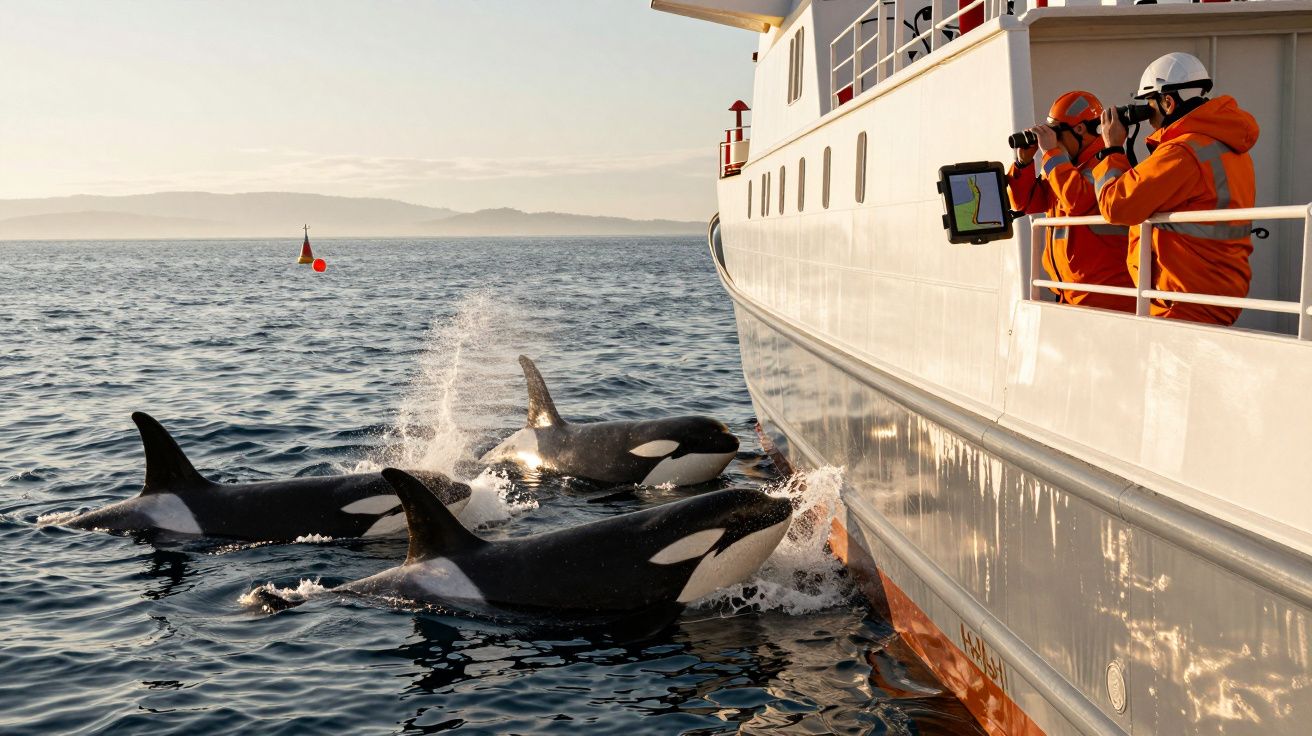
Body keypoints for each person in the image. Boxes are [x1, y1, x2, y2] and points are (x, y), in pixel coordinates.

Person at [1092, 52, 1260, 325]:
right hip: (1220, 290)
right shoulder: (1230, 146)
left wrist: (1111, 149)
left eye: (1150, 106)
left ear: (1168, 102)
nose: (1148, 117)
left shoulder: (1182, 152)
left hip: (1184, 298)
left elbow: (1116, 205)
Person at [1007, 91, 1135, 311]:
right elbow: (1026, 204)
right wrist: (1023, 163)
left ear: (1079, 129)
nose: (1053, 140)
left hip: (1106, 295)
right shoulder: (1064, 167)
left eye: (1056, 133)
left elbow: (1078, 202)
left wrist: (1050, 152)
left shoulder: (1105, 164)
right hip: (1069, 294)